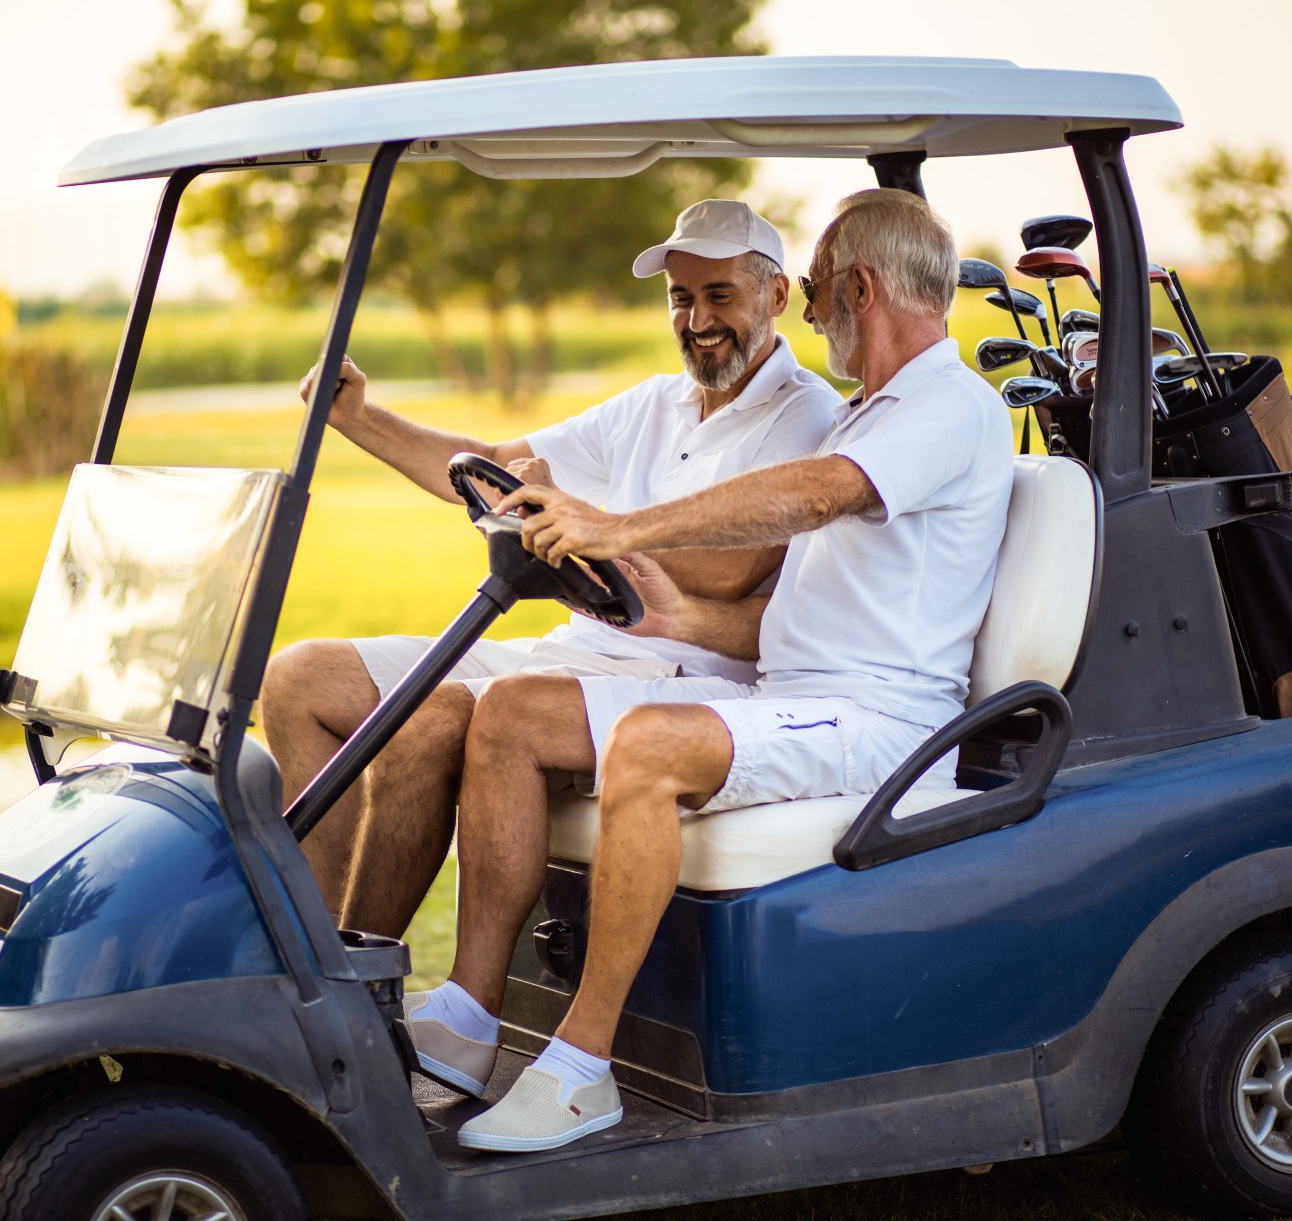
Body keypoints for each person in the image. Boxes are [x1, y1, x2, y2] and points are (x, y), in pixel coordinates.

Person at [402, 188, 1015, 1153]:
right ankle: (471, 1026)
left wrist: (620, 523)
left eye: (813, 294)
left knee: (650, 744)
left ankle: (578, 1071)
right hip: (794, 698)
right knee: (514, 715)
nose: (810, 318)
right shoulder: (870, 412)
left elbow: (815, 497)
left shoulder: (947, 407)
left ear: (859, 286)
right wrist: (680, 612)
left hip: (883, 723)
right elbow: (795, 612)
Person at [262, 200, 843, 937]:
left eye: (719, 295)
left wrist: (587, 524)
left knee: (426, 719)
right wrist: (359, 420)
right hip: (576, 654)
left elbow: (728, 570)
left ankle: (356, 985)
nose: (697, 321)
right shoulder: (653, 403)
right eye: (681, 298)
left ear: (777, 296)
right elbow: (499, 467)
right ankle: (314, 952)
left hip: (682, 676)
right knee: (300, 678)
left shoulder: (806, 415)